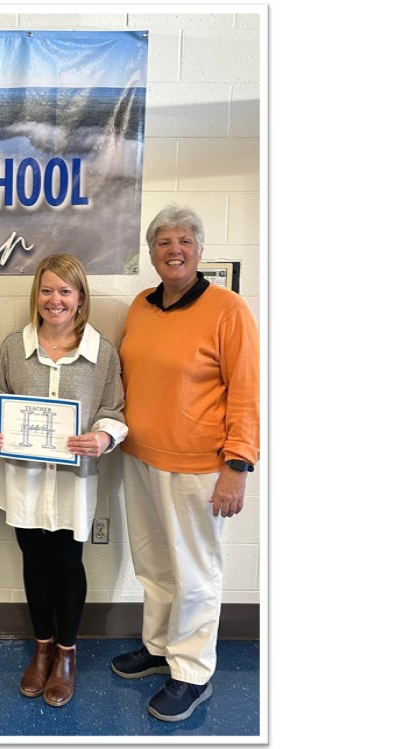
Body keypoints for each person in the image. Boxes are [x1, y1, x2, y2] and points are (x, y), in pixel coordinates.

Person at [111, 205, 259, 721]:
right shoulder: (141, 305)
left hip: (199, 467)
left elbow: (245, 392)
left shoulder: (228, 309)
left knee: (194, 572)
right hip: (140, 458)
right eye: (163, 242)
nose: (174, 250)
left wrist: (237, 466)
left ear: (199, 250)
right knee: (154, 566)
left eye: (184, 241)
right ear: (151, 253)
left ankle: (192, 672)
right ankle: (158, 647)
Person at [0, 254, 127, 708]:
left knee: (67, 562)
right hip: (23, 478)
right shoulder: (12, 346)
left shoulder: (101, 353)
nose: (55, 300)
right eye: (47, 290)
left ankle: (66, 654)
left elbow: (115, 410)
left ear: (81, 298)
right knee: (33, 560)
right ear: (36, 296)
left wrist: (103, 435)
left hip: (71, 479)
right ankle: (41, 647)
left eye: (65, 291)